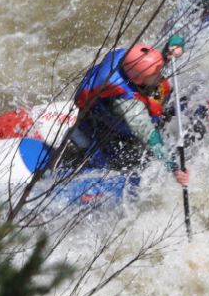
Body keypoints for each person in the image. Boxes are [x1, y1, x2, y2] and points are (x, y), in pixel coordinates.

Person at [70, 35, 189, 186]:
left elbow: (173, 43)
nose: (160, 75)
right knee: (113, 162)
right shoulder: (127, 103)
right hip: (101, 126)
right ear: (139, 80)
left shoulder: (132, 63)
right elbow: (149, 137)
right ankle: (83, 149)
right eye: (156, 75)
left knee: (162, 93)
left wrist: (171, 49)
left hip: (121, 111)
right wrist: (173, 168)